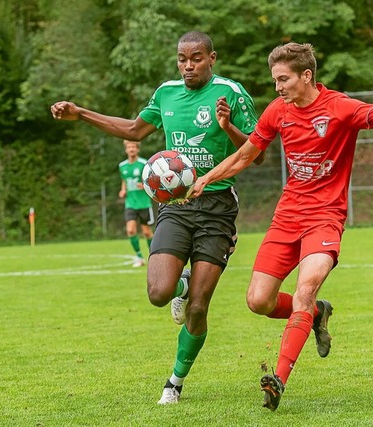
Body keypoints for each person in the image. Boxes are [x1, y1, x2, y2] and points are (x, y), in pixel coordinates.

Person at [191, 42, 373, 411]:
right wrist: (208, 177)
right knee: (258, 301)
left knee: (304, 289)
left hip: (325, 217)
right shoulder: (277, 111)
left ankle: (279, 379)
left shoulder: (339, 107)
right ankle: (318, 313)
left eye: (283, 79)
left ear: (306, 75)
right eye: (274, 80)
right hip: (287, 217)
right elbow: (245, 156)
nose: (277, 87)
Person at [51, 31, 265, 405]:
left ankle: (175, 381)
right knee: (158, 293)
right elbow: (134, 130)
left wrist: (228, 126)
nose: (187, 65)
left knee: (198, 308)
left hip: (217, 209)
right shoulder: (166, 92)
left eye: (196, 58)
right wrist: (81, 114)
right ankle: (181, 284)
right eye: (182, 58)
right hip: (176, 208)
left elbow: (257, 153)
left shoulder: (231, 92)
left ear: (212, 58)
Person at [118, 139, 154, 267]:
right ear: (126, 149)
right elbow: (124, 181)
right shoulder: (122, 166)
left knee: (146, 232)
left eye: (133, 147)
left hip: (144, 203)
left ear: (138, 149)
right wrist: (123, 190)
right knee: (131, 230)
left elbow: (152, 181)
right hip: (130, 204)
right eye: (129, 147)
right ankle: (139, 257)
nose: (131, 149)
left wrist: (145, 186)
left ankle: (153, 256)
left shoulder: (144, 164)